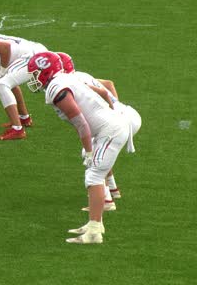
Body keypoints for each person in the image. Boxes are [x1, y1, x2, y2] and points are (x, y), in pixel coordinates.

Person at [26, 52, 130, 244]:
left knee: (94, 176)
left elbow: (81, 123)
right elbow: (102, 91)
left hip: (110, 130)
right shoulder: (66, 79)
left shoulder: (56, 88)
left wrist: (89, 150)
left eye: (35, 73)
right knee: (93, 174)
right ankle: (94, 225)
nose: (33, 79)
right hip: (110, 127)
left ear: (46, 71)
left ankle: (94, 232)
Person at [57, 52, 141, 209]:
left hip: (120, 120)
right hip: (127, 114)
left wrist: (112, 112)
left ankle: (106, 200)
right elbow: (109, 84)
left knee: (92, 154)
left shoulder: (70, 82)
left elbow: (103, 92)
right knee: (100, 150)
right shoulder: (80, 75)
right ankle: (113, 189)